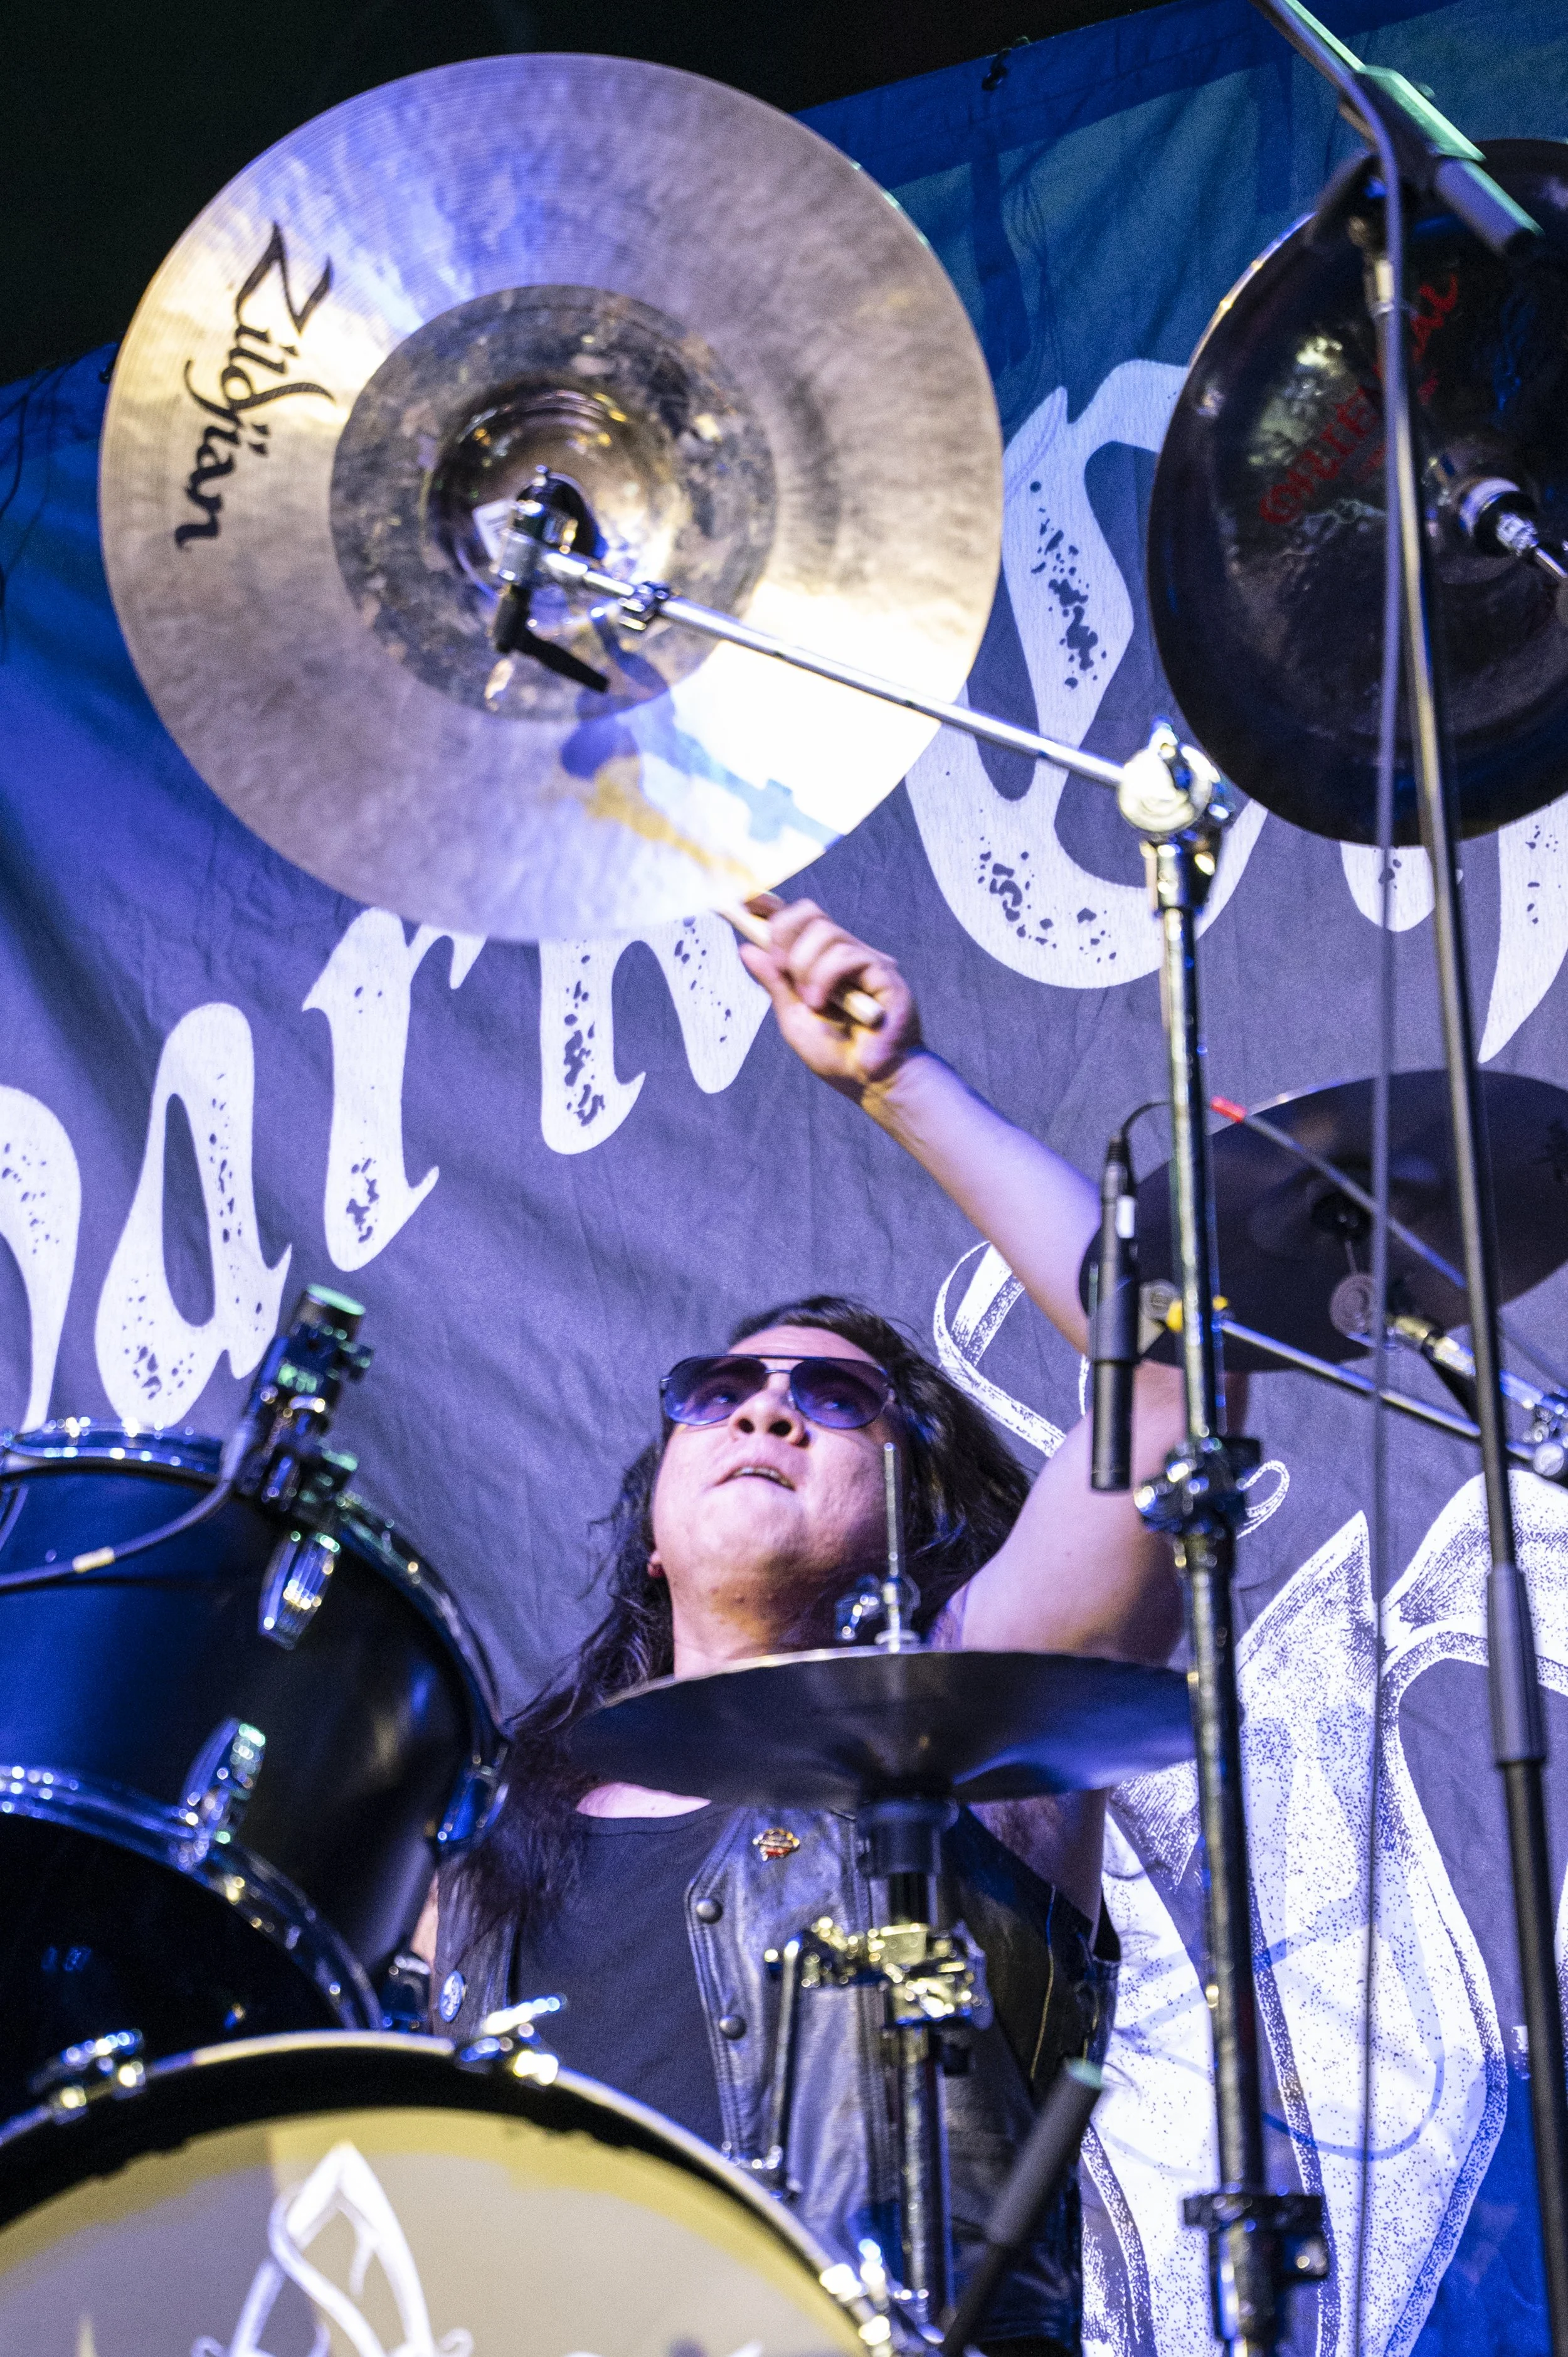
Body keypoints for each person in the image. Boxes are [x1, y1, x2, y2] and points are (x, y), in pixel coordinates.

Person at [428, 897, 1189, 2356]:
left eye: (834, 1401)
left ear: (916, 1511)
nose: (765, 1412)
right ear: (654, 1532)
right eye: (718, 1393)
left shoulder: (967, 1727)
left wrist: (899, 1083)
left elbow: (1165, 1377)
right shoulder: (480, 1841)